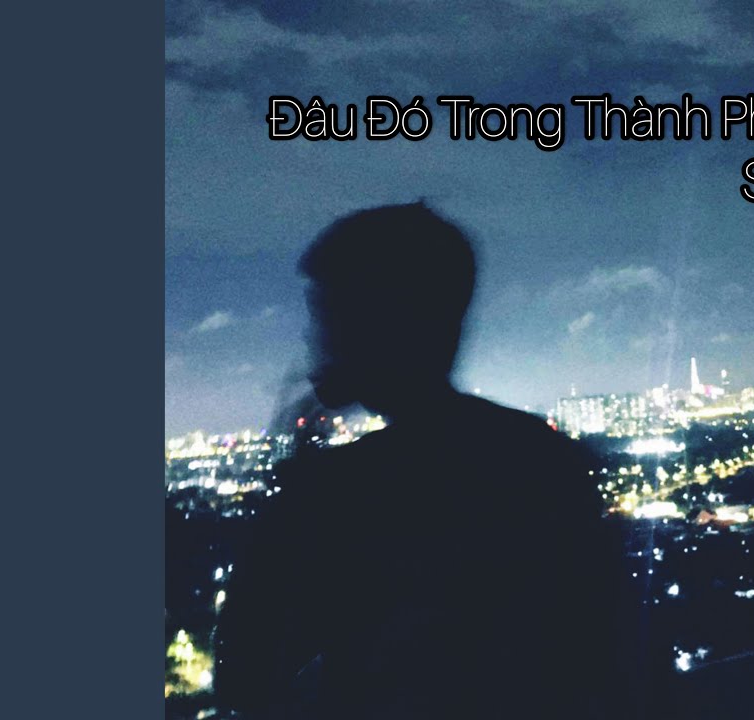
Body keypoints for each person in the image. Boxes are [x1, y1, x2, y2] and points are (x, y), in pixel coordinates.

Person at [213, 203, 637, 719]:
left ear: (374, 325)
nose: (311, 337)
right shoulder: (540, 454)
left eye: (326, 314)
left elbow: (244, 675)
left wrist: (292, 468)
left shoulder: (346, 490)